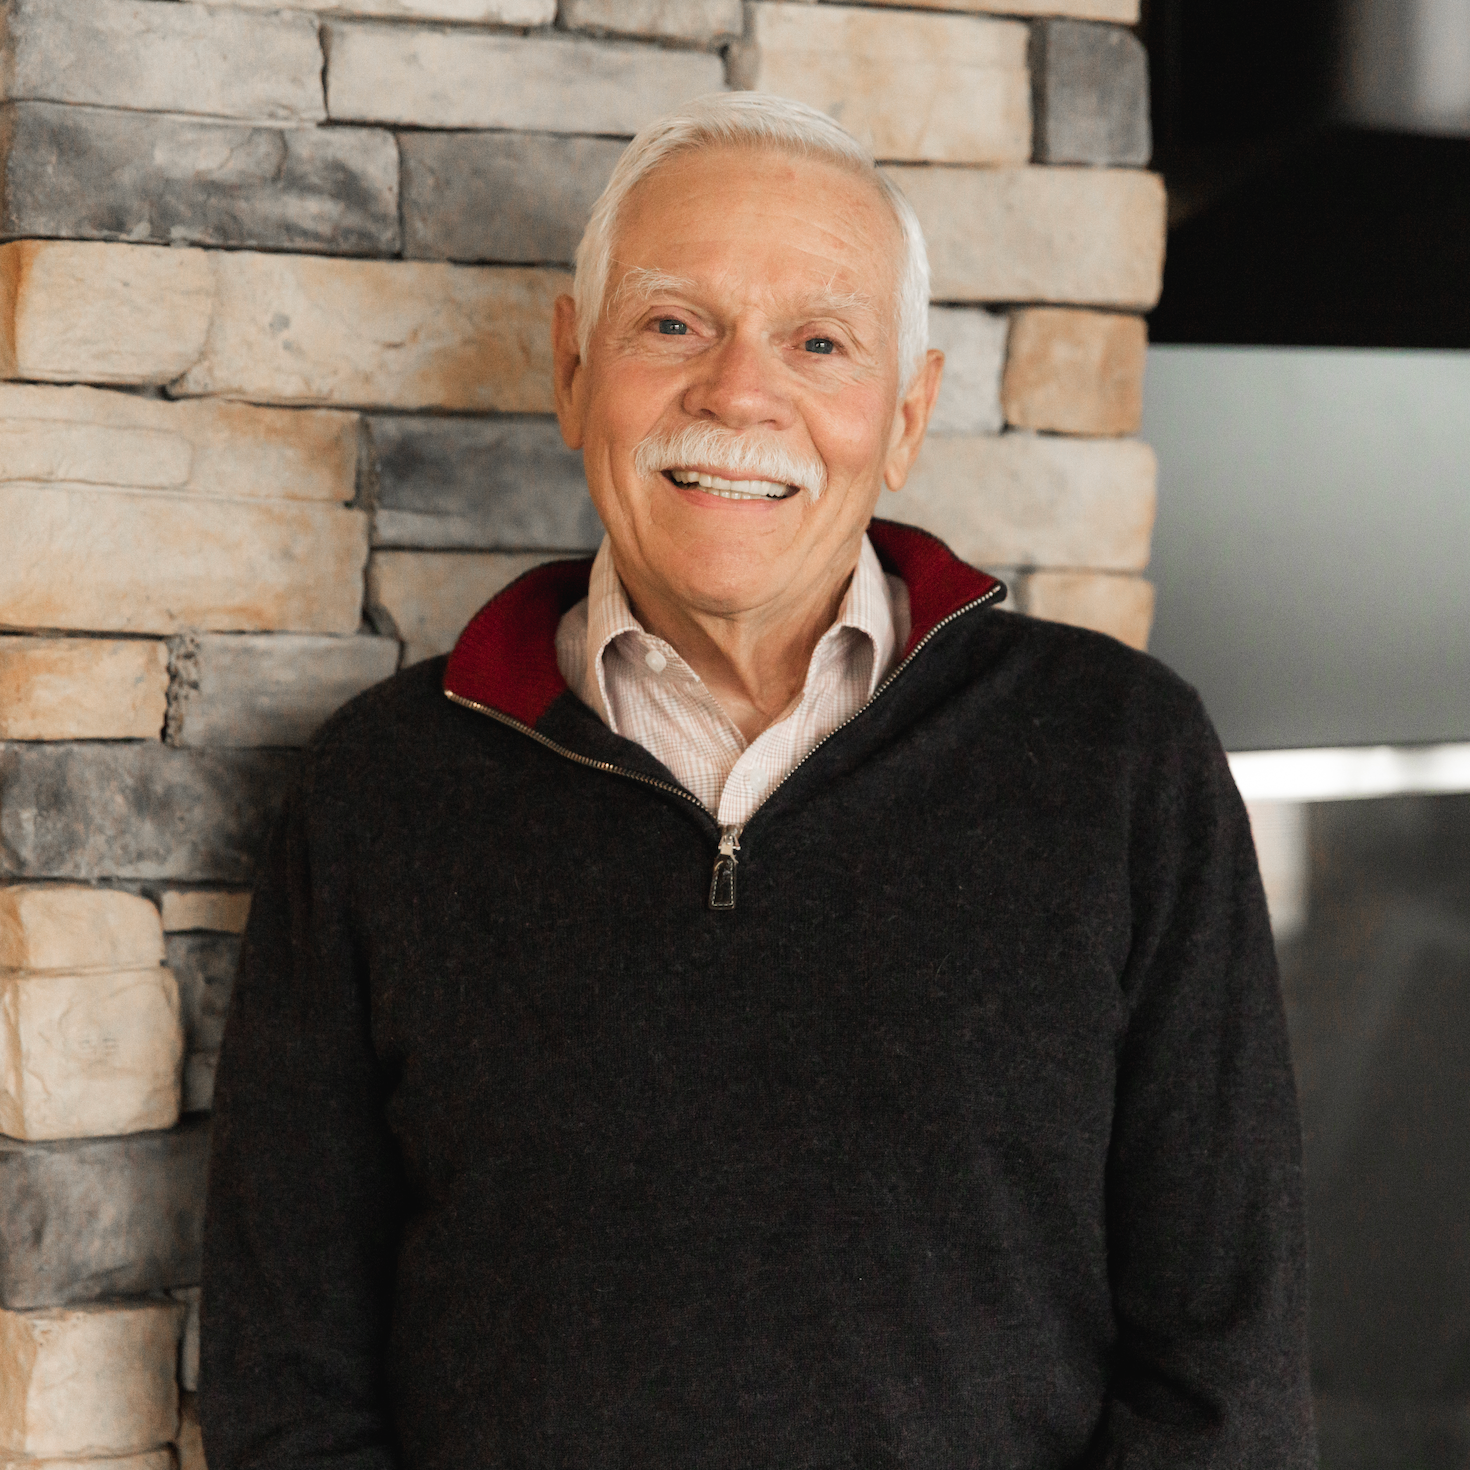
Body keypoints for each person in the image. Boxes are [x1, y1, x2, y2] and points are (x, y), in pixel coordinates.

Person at [200, 93, 1315, 1467]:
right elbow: (284, 1385)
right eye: (672, 324)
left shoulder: (1119, 760)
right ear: (569, 369)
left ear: (904, 419)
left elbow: (1225, 1372)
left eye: (819, 342)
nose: (737, 393)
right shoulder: (380, 788)